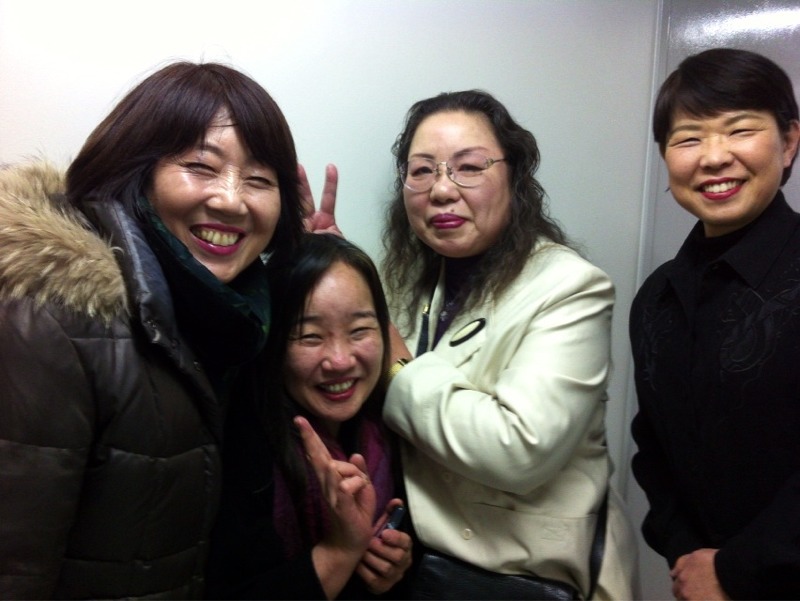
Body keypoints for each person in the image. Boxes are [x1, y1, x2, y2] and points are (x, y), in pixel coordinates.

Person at [0, 61, 307, 598]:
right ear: (135, 170)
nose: (231, 199)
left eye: (259, 180)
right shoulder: (53, 322)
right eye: (201, 167)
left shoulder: (229, 319)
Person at [379, 90, 639, 599]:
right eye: (422, 170)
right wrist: (336, 273)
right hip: (425, 574)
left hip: (529, 580)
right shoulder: (408, 282)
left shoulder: (570, 286)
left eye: (469, 167)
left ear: (515, 178)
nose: (442, 190)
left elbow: (518, 449)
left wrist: (400, 370)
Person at [629, 48, 800, 600]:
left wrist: (736, 569)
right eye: (688, 139)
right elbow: (653, 447)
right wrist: (687, 555)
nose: (714, 157)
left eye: (740, 130)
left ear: (789, 141)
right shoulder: (657, 297)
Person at [206, 233, 412, 599]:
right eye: (310, 336)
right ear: (273, 344)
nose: (340, 361)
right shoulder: (239, 447)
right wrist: (340, 551)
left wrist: (394, 565)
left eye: (359, 331)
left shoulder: (386, 429)